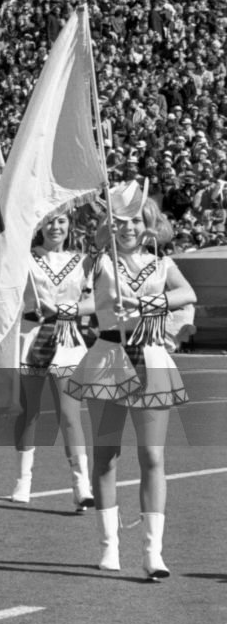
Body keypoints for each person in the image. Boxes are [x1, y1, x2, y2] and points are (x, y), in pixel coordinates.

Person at [68, 180, 196, 580]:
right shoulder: (99, 261)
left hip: (151, 358)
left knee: (153, 457)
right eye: (120, 220)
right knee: (106, 456)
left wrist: (146, 303)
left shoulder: (162, 264)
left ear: (149, 224)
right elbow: (80, 276)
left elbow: (186, 294)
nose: (128, 227)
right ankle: (109, 546)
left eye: (136, 220)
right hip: (107, 358)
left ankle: (152, 552)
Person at [12, 211, 95, 510]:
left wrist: (72, 308)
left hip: (68, 340)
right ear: (38, 226)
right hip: (32, 336)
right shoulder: (23, 256)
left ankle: (80, 484)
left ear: (70, 224)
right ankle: (23, 480)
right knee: (29, 410)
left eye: (61, 221)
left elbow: (96, 300)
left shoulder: (84, 261)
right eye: (49, 221)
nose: (55, 227)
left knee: (69, 414)